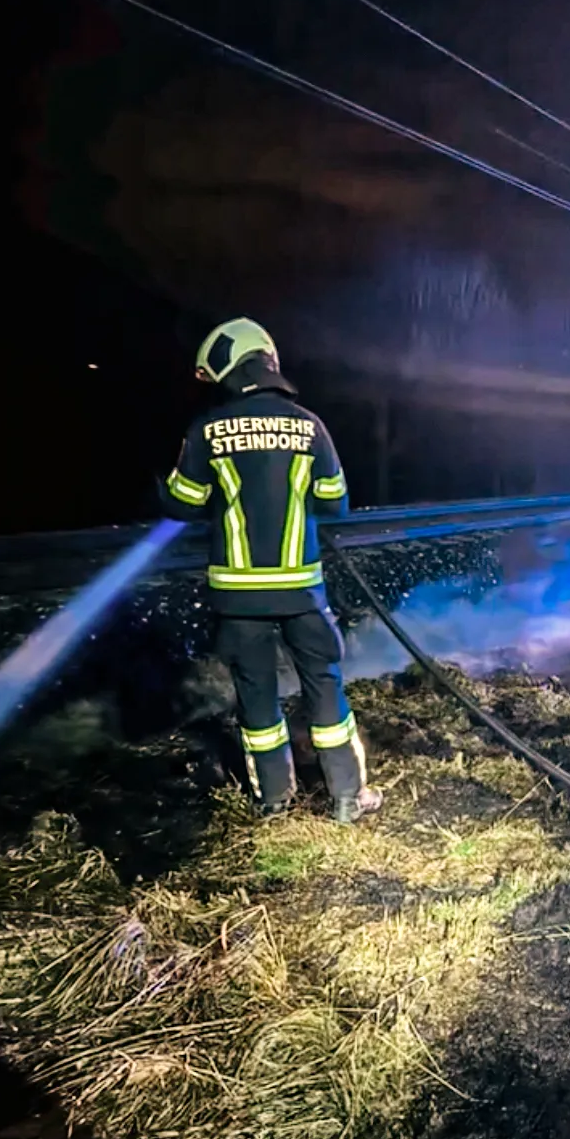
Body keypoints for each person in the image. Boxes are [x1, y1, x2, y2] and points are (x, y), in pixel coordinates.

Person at [161, 317, 381, 823]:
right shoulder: (310, 425)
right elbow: (335, 503)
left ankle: (274, 806)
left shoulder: (207, 430)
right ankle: (348, 801)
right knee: (324, 686)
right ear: (268, 361)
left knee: (257, 702)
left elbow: (183, 502)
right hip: (301, 592)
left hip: (237, 598)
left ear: (228, 371)